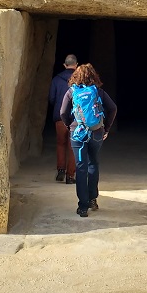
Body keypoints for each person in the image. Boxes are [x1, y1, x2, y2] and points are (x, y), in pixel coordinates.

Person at [59, 63, 117, 217]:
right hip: (97, 132)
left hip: (77, 134)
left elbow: (63, 112)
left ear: (75, 77)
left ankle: (83, 206)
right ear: (93, 76)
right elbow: (113, 108)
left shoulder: (72, 92)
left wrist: (69, 125)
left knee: (81, 167)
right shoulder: (98, 91)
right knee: (93, 163)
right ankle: (92, 199)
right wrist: (107, 128)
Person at [48, 54, 79, 183]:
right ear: (76, 65)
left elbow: (51, 98)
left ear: (64, 65)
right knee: (73, 146)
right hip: (76, 118)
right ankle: (70, 176)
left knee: (61, 144)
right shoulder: (80, 80)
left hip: (60, 117)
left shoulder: (56, 79)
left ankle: (60, 170)